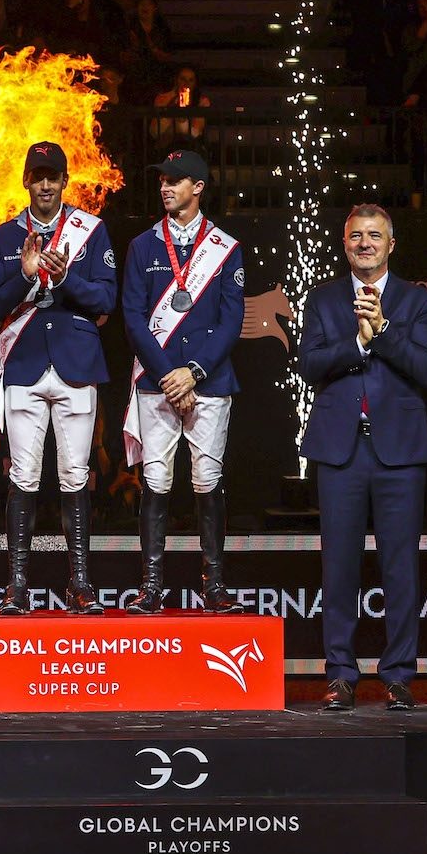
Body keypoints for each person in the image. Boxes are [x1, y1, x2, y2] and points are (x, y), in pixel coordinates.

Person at [297, 204, 427, 711]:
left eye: (375, 236)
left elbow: (425, 370)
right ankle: (341, 674)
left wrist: (383, 330)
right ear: (345, 244)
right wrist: (358, 343)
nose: (365, 244)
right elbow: (310, 364)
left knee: (401, 568)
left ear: (391, 245)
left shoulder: (418, 301)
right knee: (339, 568)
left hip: (401, 453)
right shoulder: (322, 299)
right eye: (356, 235)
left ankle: (398, 677)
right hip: (342, 452)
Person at [0, 143, 117, 614]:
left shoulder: (90, 230)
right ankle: (17, 585)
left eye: (53, 176)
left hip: (76, 364)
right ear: (25, 181)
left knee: (76, 474)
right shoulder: (3, 236)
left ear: (64, 181)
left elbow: (106, 300)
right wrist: (25, 275)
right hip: (24, 365)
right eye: (37, 176)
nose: (45, 185)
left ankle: (80, 584)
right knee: (23, 475)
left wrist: (65, 278)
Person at [120, 149, 246, 614]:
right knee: (155, 478)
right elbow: (133, 319)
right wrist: (167, 375)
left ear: (198, 187)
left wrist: (192, 373)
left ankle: (214, 586)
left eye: (175, 180)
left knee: (207, 479)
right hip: (158, 382)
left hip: (208, 382)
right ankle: (151, 587)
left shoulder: (225, 247)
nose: (165, 187)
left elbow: (231, 322)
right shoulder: (142, 246)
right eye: (162, 180)